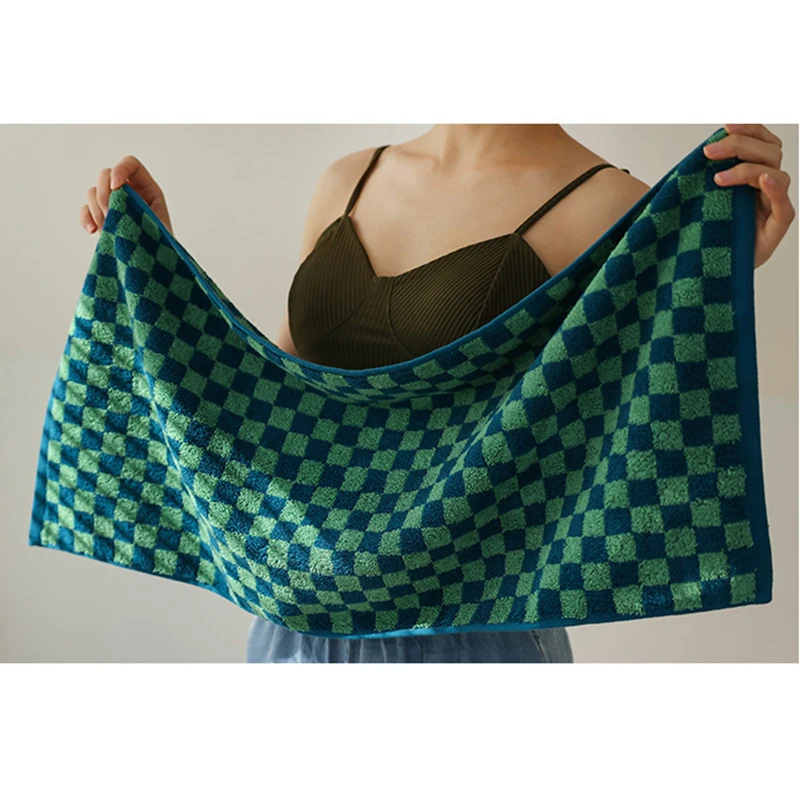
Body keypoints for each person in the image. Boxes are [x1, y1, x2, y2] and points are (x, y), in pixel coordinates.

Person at [80, 124, 794, 662]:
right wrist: (160, 270)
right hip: (297, 622)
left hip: (474, 633)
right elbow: (284, 406)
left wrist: (716, 261)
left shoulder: (616, 207)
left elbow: (632, 432)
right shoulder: (346, 179)